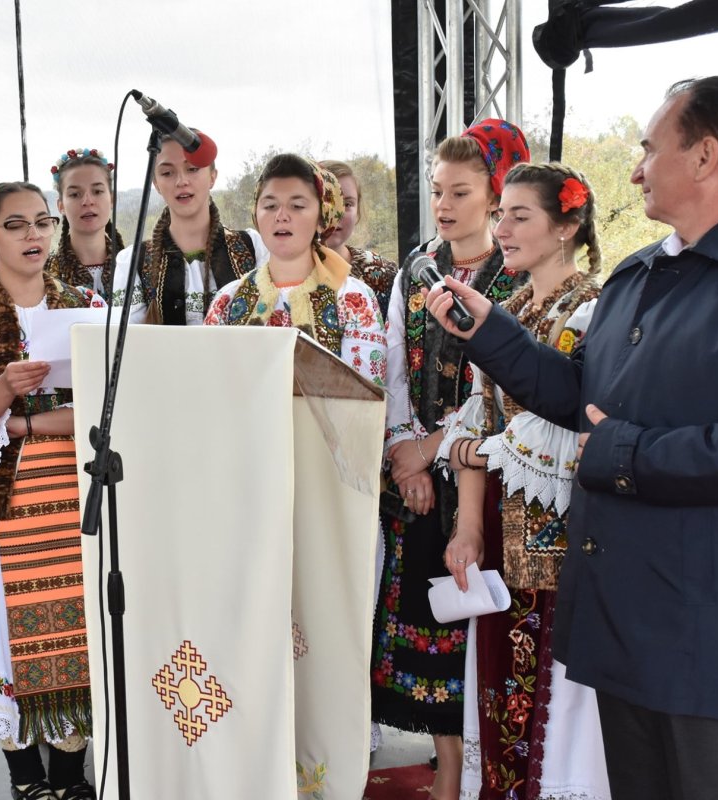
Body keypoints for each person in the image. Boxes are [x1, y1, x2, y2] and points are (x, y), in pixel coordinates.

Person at [426, 76, 718, 800]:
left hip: (711, 644)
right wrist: (488, 332)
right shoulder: (642, 272)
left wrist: (616, 454)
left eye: (651, 149)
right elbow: (578, 395)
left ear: (706, 156)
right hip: (624, 625)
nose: (636, 167)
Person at [437, 163, 609, 800]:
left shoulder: (592, 309)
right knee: (500, 698)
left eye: (520, 215)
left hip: (560, 547)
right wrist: (468, 527)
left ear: (565, 227)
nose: (501, 227)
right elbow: (480, 423)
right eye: (501, 212)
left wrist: (476, 448)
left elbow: (566, 429)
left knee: (558, 712)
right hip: (504, 554)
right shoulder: (506, 308)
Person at [371, 118, 529, 800]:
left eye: (459, 192)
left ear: (494, 197)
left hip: (485, 471)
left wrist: (430, 451)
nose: (443, 204)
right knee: (425, 618)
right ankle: (446, 767)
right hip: (414, 468)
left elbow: (498, 390)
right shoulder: (417, 267)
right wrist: (402, 453)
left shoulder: (510, 274)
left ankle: (482, 768)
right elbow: (391, 367)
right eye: (437, 190)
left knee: (476, 625)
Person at [0, 181, 106, 800]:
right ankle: (25, 778)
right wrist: (6, 388)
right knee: (6, 635)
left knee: (73, 631)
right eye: (16, 225)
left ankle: (70, 775)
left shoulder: (85, 305)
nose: (34, 235)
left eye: (42, 222)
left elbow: (102, 408)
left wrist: (26, 421)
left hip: (70, 488)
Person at [204, 154, 386, 385]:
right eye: (270, 206)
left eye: (297, 206)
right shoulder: (227, 300)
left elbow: (363, 402)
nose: (281, 216)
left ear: (322, 219)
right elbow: (210, 385)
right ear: (256, 216)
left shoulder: (353, 299)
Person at [112, 131, 268, 324]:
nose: (181, 181)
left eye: (192, 169)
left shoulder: (253, 247)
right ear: (156, 184)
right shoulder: (134, 262)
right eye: (167, 173)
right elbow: (127, 342)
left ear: (212, 177)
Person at [318, 159, 398, 315]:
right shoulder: (278, 277)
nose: (336, 214)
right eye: (326, 202)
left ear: (358, 212)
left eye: (347, 204)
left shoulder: (384, 273)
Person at [49, 147, 125, 298]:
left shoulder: (135, 267)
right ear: (61, 206)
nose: (87, 201)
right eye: (75, 194)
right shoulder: (43, 274)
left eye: (97, 191)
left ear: (112, 199)